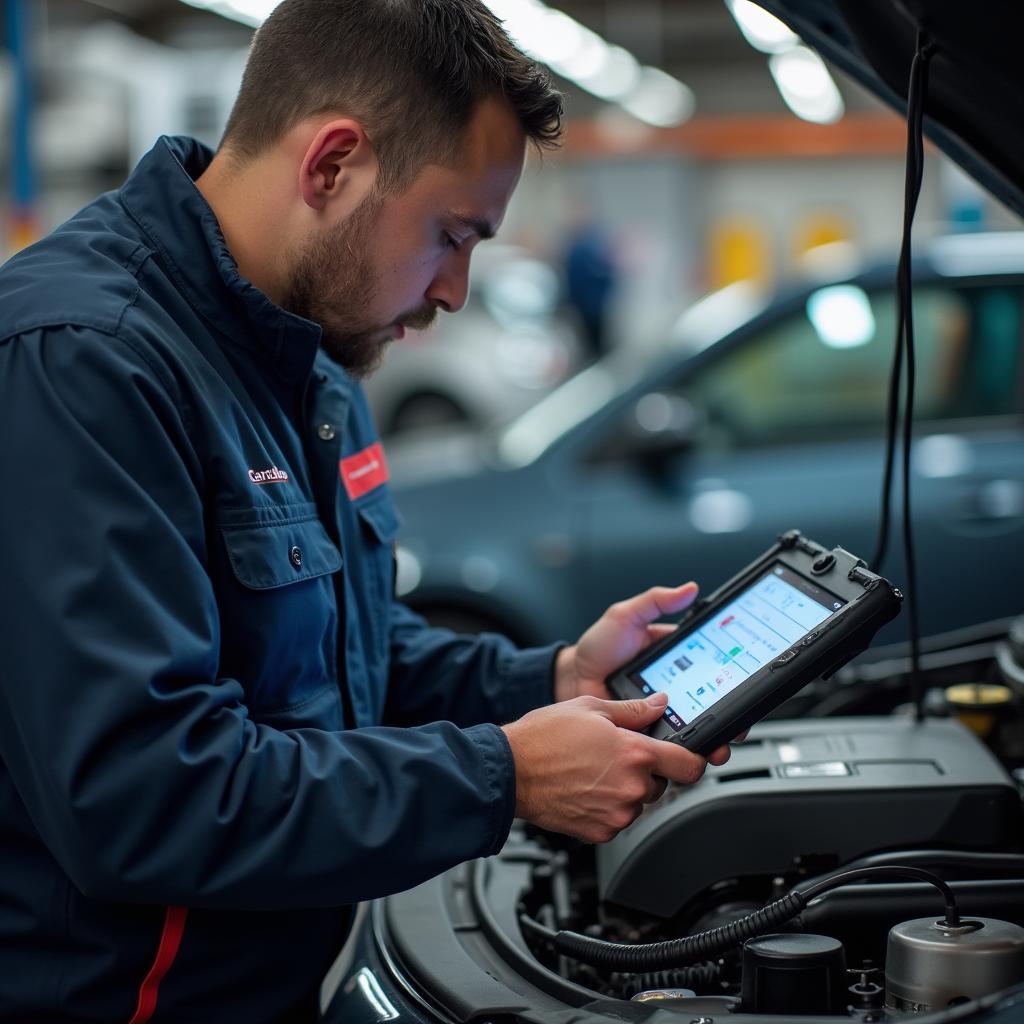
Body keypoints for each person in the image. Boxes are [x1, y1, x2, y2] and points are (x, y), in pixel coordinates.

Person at [0, 1, 735, 1019]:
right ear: (332, 164)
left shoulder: (312, 363)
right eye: (452, 234)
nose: (457, 292)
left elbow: (347, 662)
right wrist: (499, 777)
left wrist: (547, 680)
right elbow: (138, 794)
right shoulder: (82, 364)